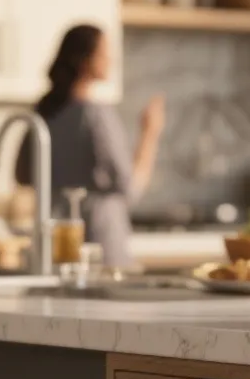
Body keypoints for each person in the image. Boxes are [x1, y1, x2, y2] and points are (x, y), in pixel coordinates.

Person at [14, 24, 165, 269]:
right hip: (99, 245)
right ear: (84, 60)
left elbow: (21, 175)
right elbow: (130, 189)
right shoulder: (95, 115)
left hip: (53, 244)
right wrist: (150, 133)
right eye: (105, 54)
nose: (111, 61)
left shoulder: (43, 112)